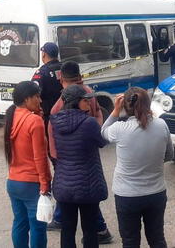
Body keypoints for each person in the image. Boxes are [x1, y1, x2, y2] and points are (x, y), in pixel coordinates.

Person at [47, 61, 112, 244]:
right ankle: (103, 231)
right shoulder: (88, 121)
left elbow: (54, 150)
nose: (88, 101)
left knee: (67, 230)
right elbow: (102, 140)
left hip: (64, 182)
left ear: (62, 80)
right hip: (87, 183)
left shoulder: (55, 117)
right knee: (89, 229)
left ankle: (102, 230)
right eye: (85, 100)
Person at [101, 87, 174, 248]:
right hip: (156, 193)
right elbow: (169, 155)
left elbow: (103, 132)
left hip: (127, 196)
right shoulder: (162, 125)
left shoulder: (119, 129)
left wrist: (115, 110)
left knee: (130, 241)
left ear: (126, 106)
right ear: (148, 104)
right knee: (157, 239)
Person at [4, 81, 52, 248]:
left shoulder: (12, 115)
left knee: (20, 224)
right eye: (36, 96)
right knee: (38, 227)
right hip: (32, 184)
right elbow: (40, 157)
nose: (39, 100)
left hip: (13, 181)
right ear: (26, 99)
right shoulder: (34, 121)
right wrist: (45, 184)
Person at [31, 42, 63, 126]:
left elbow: (32, 92)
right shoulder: (65, 68)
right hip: (64, 112)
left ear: (44, 54)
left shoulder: (42, 72)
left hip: (48, 115)